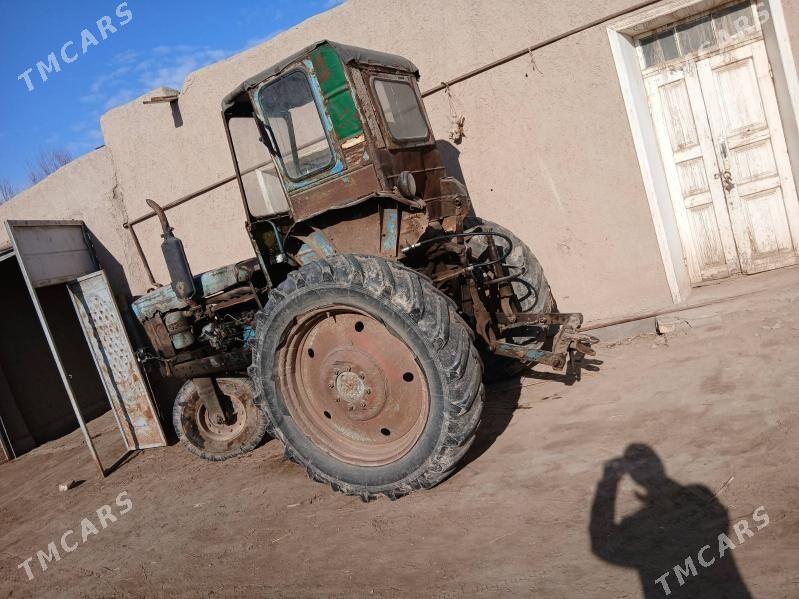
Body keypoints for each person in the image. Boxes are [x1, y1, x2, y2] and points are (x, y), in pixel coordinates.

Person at [589, 444, 751, 598]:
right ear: (660, 465)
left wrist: (608, 485)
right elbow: (719, 521)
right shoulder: (698, 498)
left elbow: (603, 544)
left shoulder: (638, 527)